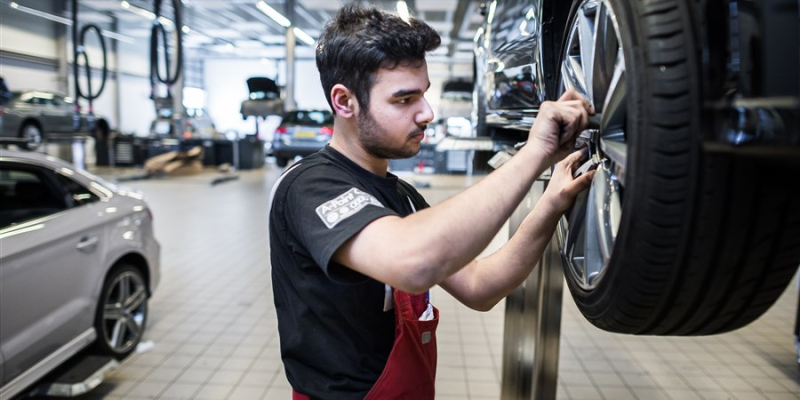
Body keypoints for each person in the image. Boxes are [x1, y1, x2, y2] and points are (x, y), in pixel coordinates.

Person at [268, 4, 594, 399]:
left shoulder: (401, 196)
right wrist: (534, 152)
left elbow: (480, 286)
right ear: (344, 102)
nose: (427, 113)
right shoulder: (309, 187)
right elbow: (415, 262)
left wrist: (549, 206)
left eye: (423, 94)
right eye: (404, 100)